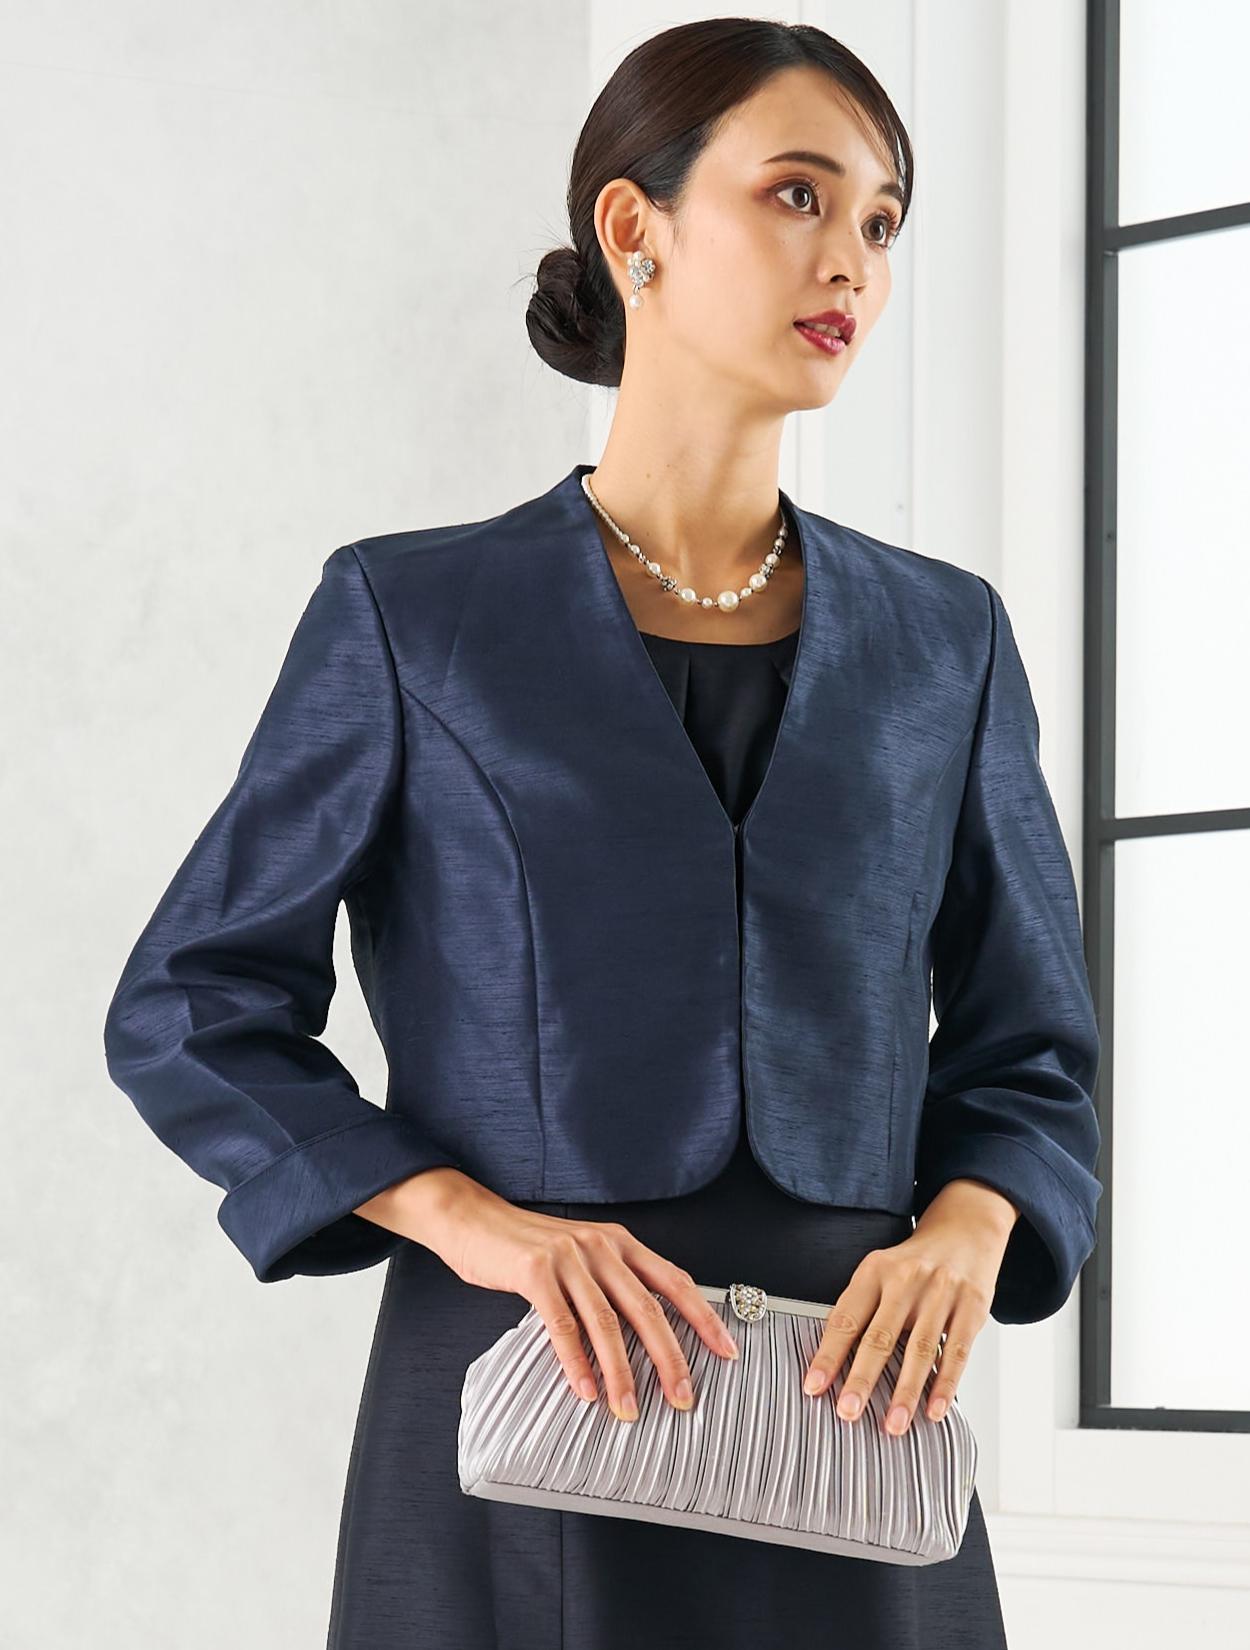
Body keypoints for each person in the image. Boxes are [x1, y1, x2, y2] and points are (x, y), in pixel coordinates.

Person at [104, 19, 1103, 1648]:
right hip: (524, 1404)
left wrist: (969, 1229)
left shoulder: (946, 641)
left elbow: (1032, 1044)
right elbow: (189, 1005)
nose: (848, 258)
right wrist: (462, 1218)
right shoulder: (414, 615)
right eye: (796, 194)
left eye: (880, 220)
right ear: (633, 229)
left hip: (855, 1414)